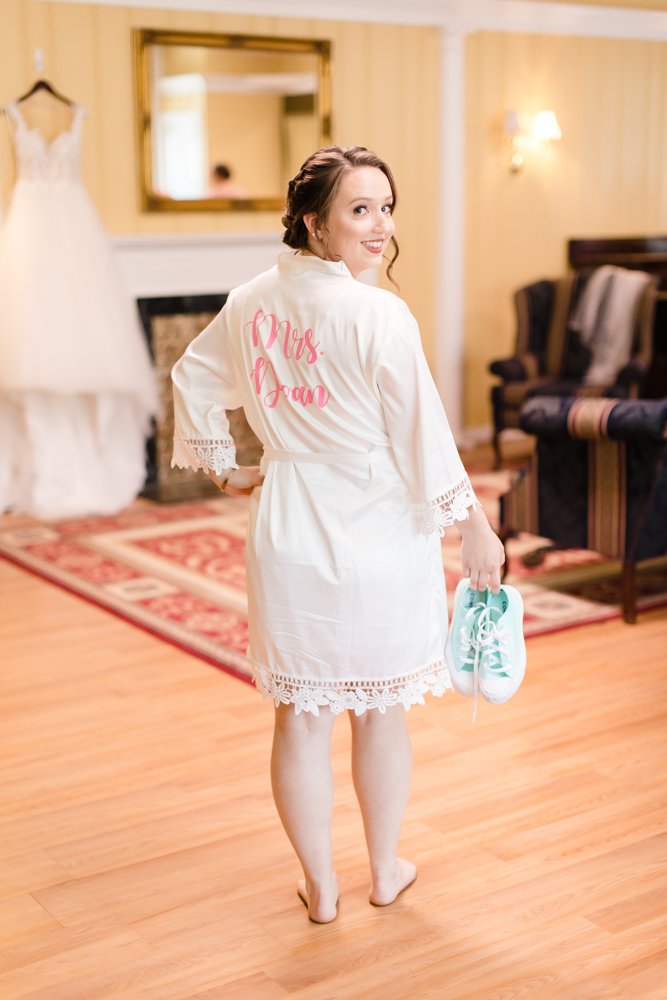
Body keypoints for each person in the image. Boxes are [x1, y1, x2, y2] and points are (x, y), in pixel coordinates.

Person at [171, 145, 504, 924]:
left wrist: (225, 469)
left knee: (303, 712)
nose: (380, 225)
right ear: (314, 223)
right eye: (360, 210)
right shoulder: (377, 311)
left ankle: (321, 885)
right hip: (379, 526)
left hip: (290, 522)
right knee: (379, 710)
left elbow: (191, 373)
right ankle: (383, 869)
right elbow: (422, 436)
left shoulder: (252, 300)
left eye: (386, 207)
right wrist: (476, 527)